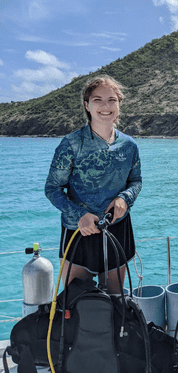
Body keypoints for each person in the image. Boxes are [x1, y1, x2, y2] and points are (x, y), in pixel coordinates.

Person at [45, 75, 142, 295]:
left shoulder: (129, 145)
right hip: (80, 231)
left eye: (112, 100)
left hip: (118, 227)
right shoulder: (70, 144)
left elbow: (135, 181)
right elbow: (52, 188)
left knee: (117, 302)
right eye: (98, 100)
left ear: (119, 105)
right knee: (77, 305)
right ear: (87, 105)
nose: (105, 106)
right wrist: (80, 214)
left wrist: (124, 198)